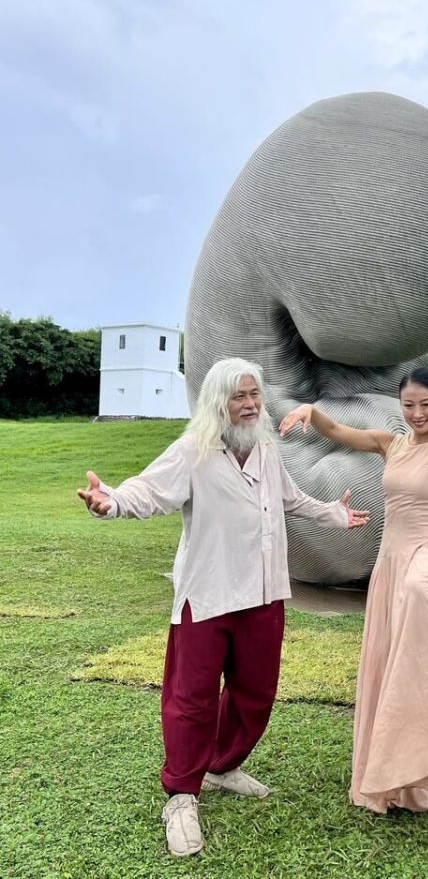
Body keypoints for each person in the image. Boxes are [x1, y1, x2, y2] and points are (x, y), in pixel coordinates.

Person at [78, 358, 369, 856]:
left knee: (255, 693)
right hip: (208, 594)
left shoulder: (266, 452)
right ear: (218, 401)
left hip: (262, 593)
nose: (251, 404)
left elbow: (293, 501)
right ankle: (182, 795)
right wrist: (114, 501)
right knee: (191, 700)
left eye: (255, 394)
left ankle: (221, 766)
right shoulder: (193, 452)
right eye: (239, 396)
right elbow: (148, 490)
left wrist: (335, 514)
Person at [279, 341, 428, 813]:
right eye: (409, 405)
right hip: (390, 559)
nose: (416, 413)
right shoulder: (392, 444)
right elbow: (342, 431)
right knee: (396, 660)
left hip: (427, 554)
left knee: (421, 591)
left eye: (425, 405)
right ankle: (402, 777)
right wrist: (309, 411)